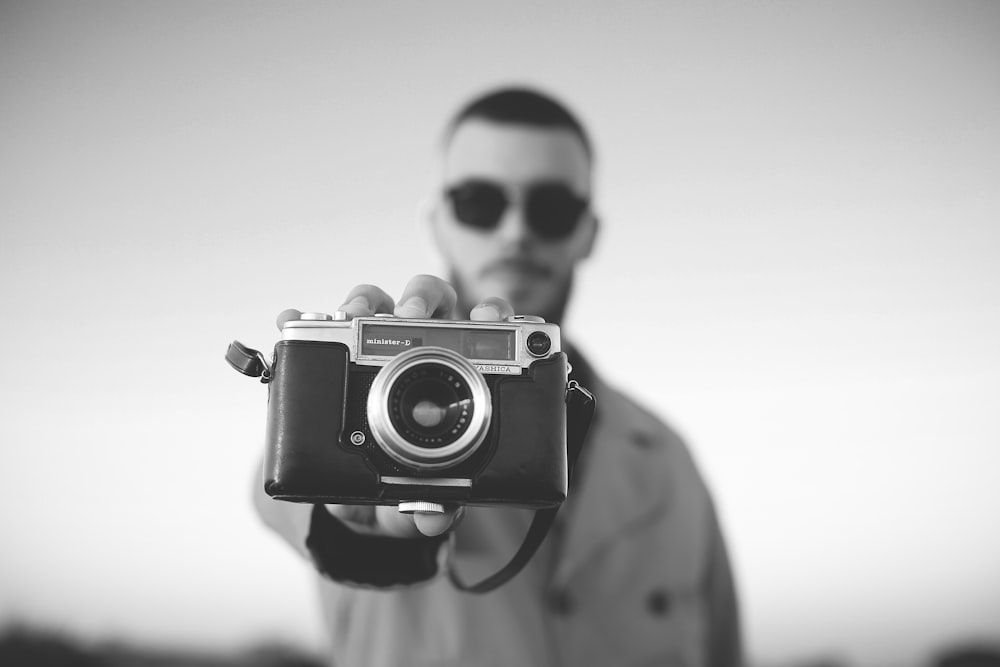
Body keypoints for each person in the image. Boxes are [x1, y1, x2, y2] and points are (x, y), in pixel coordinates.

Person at [253, 87, 742, 667]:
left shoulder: (666, 461)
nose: (515, 232)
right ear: (435, 222)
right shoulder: (349, 399)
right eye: (480, 202)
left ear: (588, 233)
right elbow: (293, 503)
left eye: (552, 208)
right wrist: (363, 498)